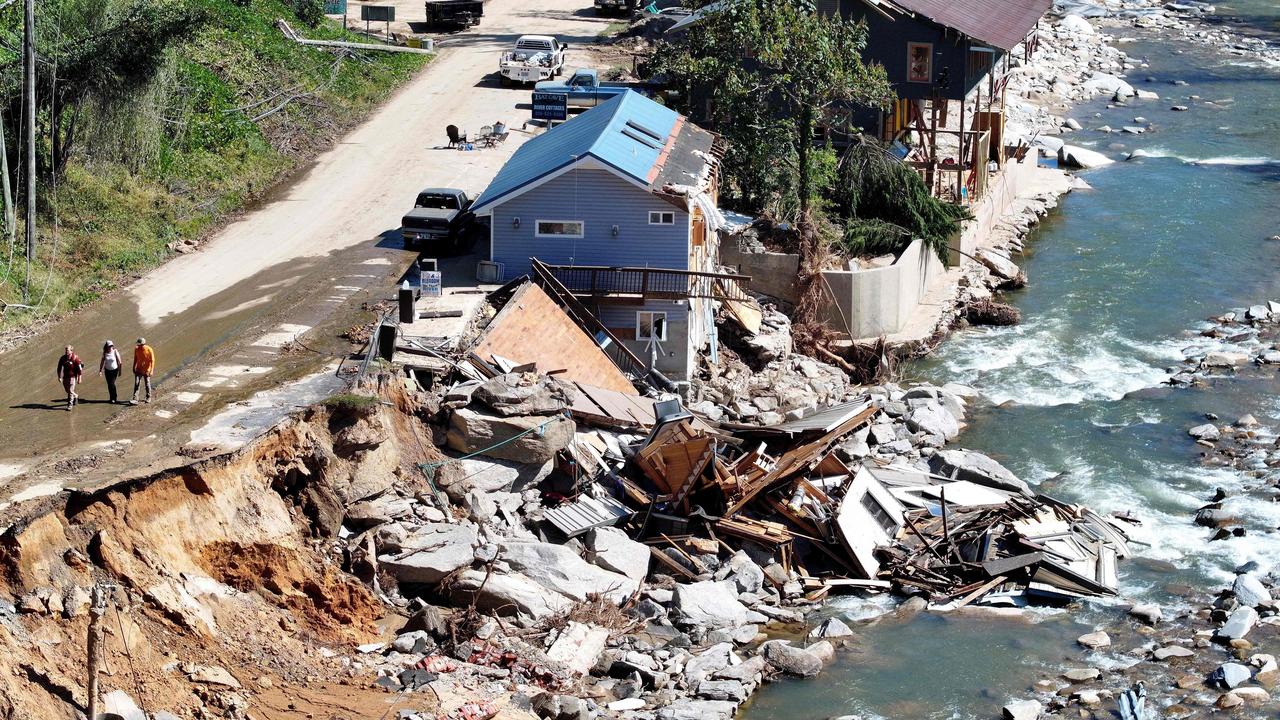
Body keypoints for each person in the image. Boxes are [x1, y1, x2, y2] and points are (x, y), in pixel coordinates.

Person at [55, 345, 84, 411]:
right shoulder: (63, 358)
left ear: (71, 351)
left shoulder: (75, 358)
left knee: (70, 391)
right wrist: (59, 376)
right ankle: (76, 396)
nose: (66, 351)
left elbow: (79, 369)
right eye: (65, 350)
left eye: (67, 350)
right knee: (67, 391)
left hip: (73, 377)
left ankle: (69, 405)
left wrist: (80, 378)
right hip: (65, 377)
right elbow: (59, 368)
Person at [131, 337, 155, 404]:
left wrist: (152, 370)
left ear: (143, 344)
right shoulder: (136, 349)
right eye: (138, 344)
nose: (138, 345)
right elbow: (135, 358)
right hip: (138, 369)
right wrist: (133, 367)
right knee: (136, 383)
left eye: (139, 344)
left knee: (147, 383)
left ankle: (148, 397)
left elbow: (152, 360)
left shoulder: (149, 349)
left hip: (147, 369)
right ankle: (135, 399)